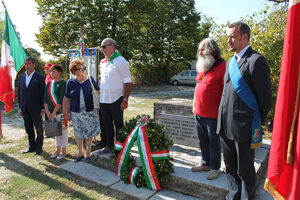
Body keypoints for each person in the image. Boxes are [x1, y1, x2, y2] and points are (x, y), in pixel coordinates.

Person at [217, 21, 272, 200]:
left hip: (244, 127)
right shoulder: (230, 62)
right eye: (228, 37)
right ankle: (233, 197)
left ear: (244, 37)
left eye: (232, 36)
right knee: (230, 168)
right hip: (225, 124)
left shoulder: (256, 61)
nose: (229, 40)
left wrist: (254, 122)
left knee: (245, 170)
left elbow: (265, 100)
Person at [191, 38, 226, 180]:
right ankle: (205, 162)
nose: (200, 52)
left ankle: (214, 167)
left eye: (203, 49)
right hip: (199, 112)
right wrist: (194, 104)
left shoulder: (222, 66)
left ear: (211, 49)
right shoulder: (203, 66)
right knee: (203, 140)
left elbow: (226, 91)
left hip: (214, 114)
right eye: (199, 49)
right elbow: (197, 87)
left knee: (214, 142)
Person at [63, 59, 101, 163]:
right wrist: (66, 113)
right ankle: (80, 152)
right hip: (76, 113)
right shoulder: (70, 82)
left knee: (89, 133)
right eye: (81, 69)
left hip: (89, 112)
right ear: (74, 71)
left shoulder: (89, 79)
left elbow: (98, 91)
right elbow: (66, 98)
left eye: (84, 68)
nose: (83, 70)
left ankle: (88, 153)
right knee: (78, 133)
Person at [98, 38, 132, 154]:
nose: (102, 49)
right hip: (104, 98)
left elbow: (127, 82)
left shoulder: (121, 61)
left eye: (104, 46)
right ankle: (109, 145)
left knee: (118, 124)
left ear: (112, 46)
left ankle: (120, 147)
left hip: (116, 98)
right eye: (101, 47)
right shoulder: (102, 62)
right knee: (106, 122)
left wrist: (125, 99)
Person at [18, 56, 45, 155]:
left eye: (29, 63)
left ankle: (39, 148)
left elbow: (43, 93)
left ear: (34, 64)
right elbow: (20, 93)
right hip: (25, 108)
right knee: (28, 129)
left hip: (36, 108)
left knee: (39, 129)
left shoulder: (40, 77)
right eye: (25, 63)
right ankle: (31, 146)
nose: (27, 65)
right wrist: (20, 107)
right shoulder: (21, 77)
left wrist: (43, 107)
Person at [44, 64, 68, 160]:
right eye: (51, 71)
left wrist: (54, 112)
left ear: (59, 72)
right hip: (50, 112)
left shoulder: (63, 83)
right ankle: (57, 150)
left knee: (63, 131)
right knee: (56, 132)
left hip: (60, 112)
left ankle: (64, 151)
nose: (51, 73)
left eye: (54, 71)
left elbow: (61, 99)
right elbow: (45, 98)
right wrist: (47, 111)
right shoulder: (49, 84)